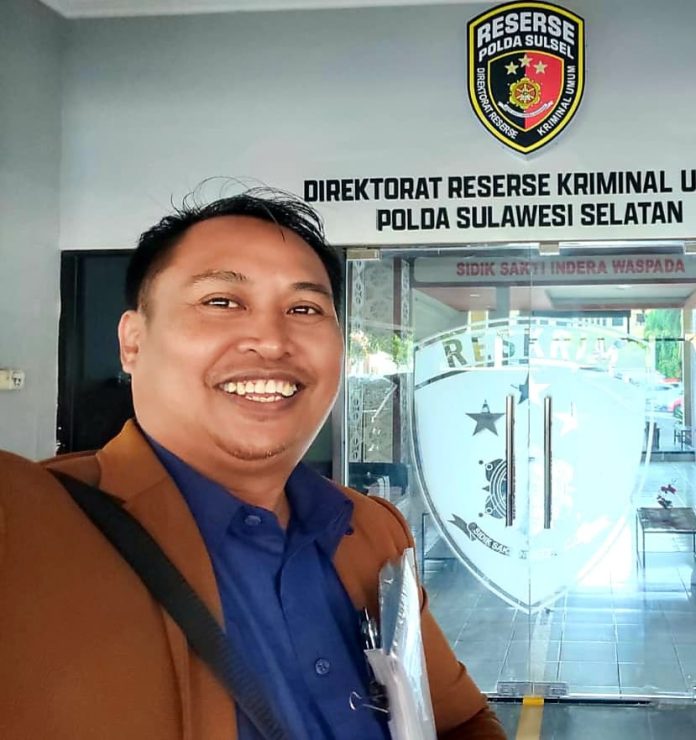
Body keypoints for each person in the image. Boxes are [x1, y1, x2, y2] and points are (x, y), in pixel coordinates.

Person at [0, 189, 505, 739]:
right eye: (221, 301)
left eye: (304, 309)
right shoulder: (30, 529)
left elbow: (461, 721)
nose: (271, 340)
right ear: (133, 342)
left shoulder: (371, 531)